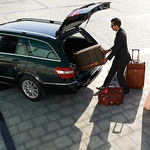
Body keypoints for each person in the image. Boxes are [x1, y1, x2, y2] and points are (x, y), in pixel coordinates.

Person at [97, 18, 131, 95]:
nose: (111, 27)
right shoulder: (120, 31)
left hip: (123, 58)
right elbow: (116, 46)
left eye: (112, 25)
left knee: (119, 75)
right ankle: (104, 86)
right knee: (111, 72)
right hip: (118, 57)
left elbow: (116, 49)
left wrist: (107, 59)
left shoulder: (120, 35)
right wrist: (108, 50)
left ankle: (126, 89)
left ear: (116, 25)